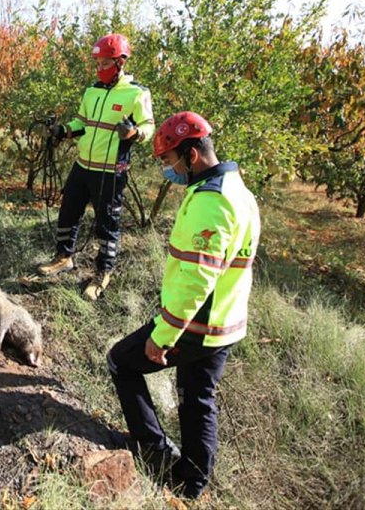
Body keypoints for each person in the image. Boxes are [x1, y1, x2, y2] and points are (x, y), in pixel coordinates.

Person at [106, 111, 260, 499]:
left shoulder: (212, 202)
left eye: (168, 160)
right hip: (225, 321)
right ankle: (191, 483)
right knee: (197, 399)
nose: (166, 169)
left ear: (191, 155)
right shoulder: (238, 190)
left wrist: (163, 335)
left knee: (121, 362)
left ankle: (154, 451)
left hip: (196, 325)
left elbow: (196, 280)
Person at [36, 33, 155, 300]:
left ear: (120, 62)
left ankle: (103, 273)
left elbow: (149, 127)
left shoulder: (137, 93)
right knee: (68, 211)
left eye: (104, 64)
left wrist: (133, 134)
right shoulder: (92, 91)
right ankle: (64, 257)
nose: (99, 69)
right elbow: (82, 123)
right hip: (83, 166)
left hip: (110, 171)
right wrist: (63, 130)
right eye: (97, 64)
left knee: (107, 223)